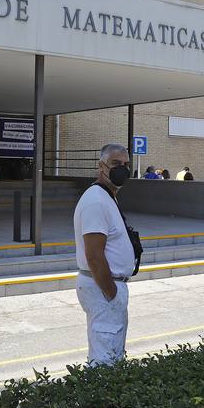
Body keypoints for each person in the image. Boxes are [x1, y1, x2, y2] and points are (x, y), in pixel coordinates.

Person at [74, 144, 136, 365]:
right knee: (105, 358)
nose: (122, 169)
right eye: (116, 164)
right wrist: (111, 292)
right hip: (103, 289)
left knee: (112, 351)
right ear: (101, 167)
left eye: (126, 165)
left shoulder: (107, 197)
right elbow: (94, 255)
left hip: (108, 287)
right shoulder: (97, 201)